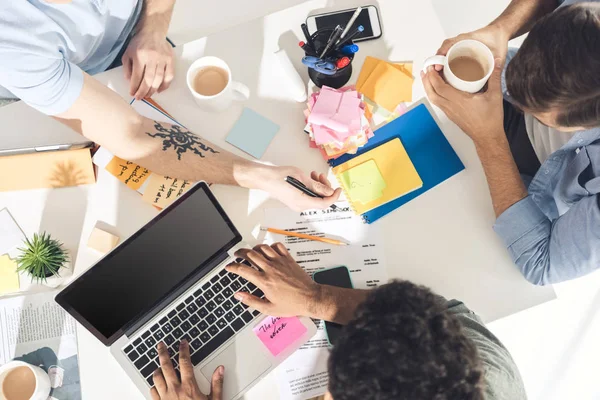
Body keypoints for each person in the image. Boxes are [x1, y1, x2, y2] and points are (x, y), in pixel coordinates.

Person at [0, 1, 340, 212]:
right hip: (60, 76)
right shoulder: (12, 43)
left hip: (139, 38)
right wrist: (260, 176)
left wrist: (153, 29)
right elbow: (131, 133)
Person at [422, 1, 600, 285]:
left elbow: (543, 264)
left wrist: (489, 141)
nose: (519, 108)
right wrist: (500, 31)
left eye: (540, 117)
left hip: (538, 187)